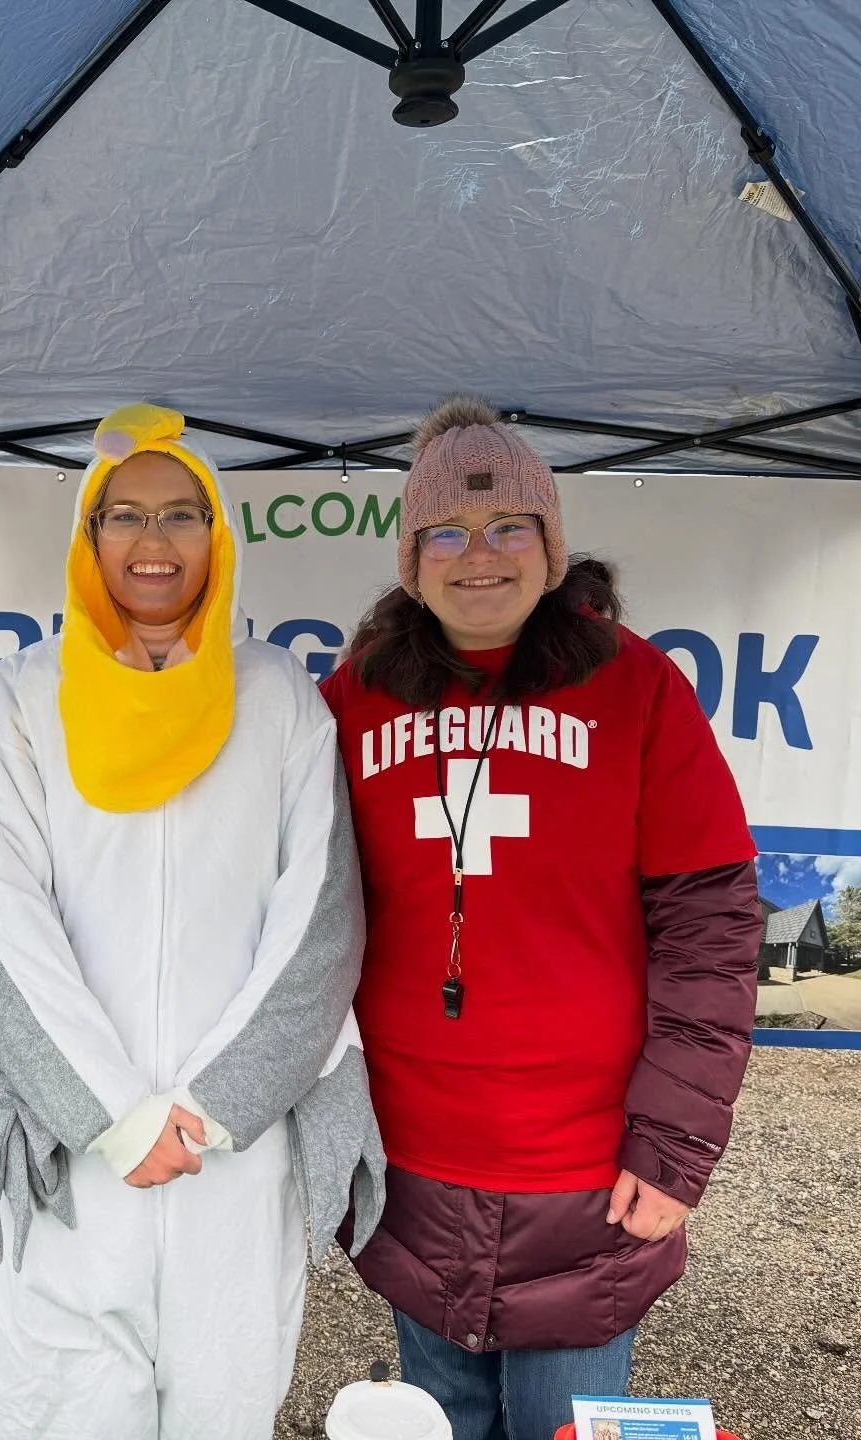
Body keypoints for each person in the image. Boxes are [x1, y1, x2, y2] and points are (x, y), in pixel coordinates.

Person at [321, 397, 762, 1440]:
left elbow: (711, 931)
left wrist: (676, 1147)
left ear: (554, 547)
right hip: (410, 1164)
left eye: (509, 527)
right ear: (411, 555)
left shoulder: (639, 688)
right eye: (447, 532)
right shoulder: (354, 702)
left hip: (591, 1176)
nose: (480, 556)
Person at [0, 403, 385, 1440]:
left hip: (233, 1157)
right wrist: (113, 1115)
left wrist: (216, 1105)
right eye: (125, 515)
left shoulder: (281, 699)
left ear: (219, 535)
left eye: (184, 514)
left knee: (225, 1411)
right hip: (70, 1154)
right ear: (88, 535)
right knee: (63, 1413)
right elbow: (0, 922)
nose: (155, 543)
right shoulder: (20, 701)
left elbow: (319, 922)